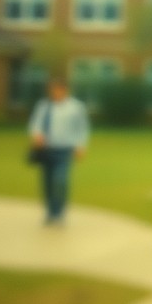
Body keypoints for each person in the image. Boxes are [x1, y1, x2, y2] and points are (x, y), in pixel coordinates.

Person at [26, 77, 90, 226]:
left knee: (60, 181)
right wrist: (37, 135)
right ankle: (49, 212)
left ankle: (59, 212)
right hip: (46, 150)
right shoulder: (43, 105)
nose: (54, 92)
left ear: (65, 90)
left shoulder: (76, 107)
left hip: (65, 150)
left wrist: (80, 145)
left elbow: (82, 128)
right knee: (47, 182)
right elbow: (35, 124)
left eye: (57, 89)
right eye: (52, 90)